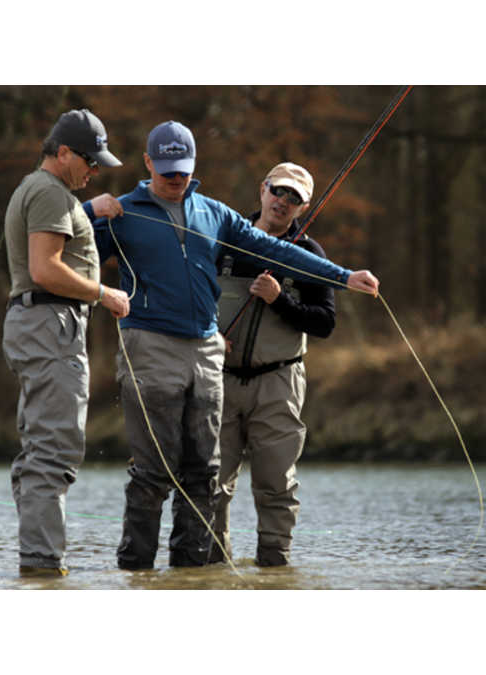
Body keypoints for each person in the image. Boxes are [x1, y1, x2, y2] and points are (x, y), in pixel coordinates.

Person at [92, 121, 379, 570]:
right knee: (153, 473)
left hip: (208, 357)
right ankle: (137, 574)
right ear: (148, 163)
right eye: (165, 169)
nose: (174, 178)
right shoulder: (122, 212)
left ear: (193, 166)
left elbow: (279, 251)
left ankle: (194, 576)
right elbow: (67, 248)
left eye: (182, 170)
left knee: (204, 475)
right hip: (149, 348)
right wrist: (89, 212)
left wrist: (342, 276)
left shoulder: (216, 214)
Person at [2, 108, 130, 578]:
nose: (93, 170)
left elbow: (56, 237)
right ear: (63, 153)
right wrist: (105, 293)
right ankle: (42, 565)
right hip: (50, 325)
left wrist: (89, 209)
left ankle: (38, 560)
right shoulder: (48, 191)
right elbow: (44, 268)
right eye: (89, 162)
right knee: (53, 452)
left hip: (42, 326)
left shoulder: (49, 193)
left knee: (42, 447)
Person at [210, 162, 333, 567]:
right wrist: (209, 333)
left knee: (276, 484)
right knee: (211, 482)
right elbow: (194, 297)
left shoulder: (310, 254)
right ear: (263, 189)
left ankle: (275, 568)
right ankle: (210, 567)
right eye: (278, 191)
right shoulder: (224, 240)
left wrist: (279, 298)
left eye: (293, 197)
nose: (282, 201)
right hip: (220, 380)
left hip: (279, 380)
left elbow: (324, 323)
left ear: (304, 206)